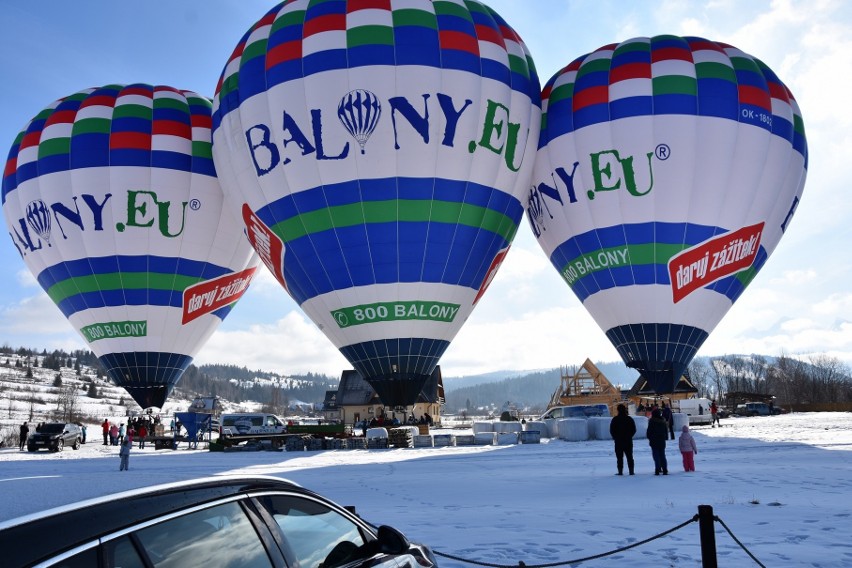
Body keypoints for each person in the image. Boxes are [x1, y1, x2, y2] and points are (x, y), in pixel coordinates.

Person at [609, 404, 636, 475]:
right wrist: (629, 436)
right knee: (630, 457)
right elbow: (634, 429)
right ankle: (631, 471)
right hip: (628, 441)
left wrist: (615, 437)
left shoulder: (615, 419)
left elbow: (612, 430)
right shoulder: (629, 419)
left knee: (619, 457)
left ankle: (620, 472)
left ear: (618, 410)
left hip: (618, 441)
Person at [646, 408, 669, 475]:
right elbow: (666, 431)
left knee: (656, 455)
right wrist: (666, 437)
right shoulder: (663, 421)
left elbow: (649, 431)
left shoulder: (652, 421)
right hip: (662, 440)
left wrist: (649, 437)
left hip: (654, 440)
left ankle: (657, 469)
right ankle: (665, 469)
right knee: (662, 455)